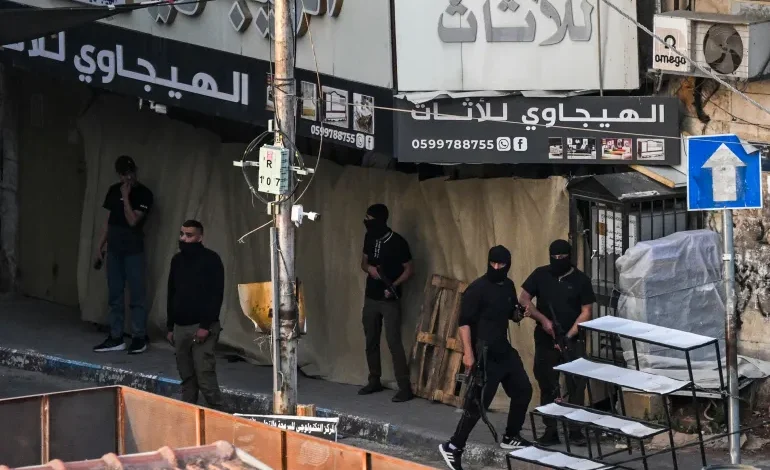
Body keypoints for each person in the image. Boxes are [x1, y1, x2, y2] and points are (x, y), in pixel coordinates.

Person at [439, 246, 533, 470]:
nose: (496, 268)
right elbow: (464, 323)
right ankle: (453, 446)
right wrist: (468, 354)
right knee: (478, 404)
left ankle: (511, 435)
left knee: (523, 390)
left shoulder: (508, 285)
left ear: (508, 265)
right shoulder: (477, 288)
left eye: (501, 264)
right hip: (484, 354)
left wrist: (520, 313)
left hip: (503, 350)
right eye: (493, 263)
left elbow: (510, 314)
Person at [519, 239, 596, 447]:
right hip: (545, 339)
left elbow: (586, 311)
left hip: (573, 340)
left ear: (569, 257)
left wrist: (568, 336)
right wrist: (543, 320)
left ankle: (575, 430)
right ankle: (550, 430)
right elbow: (524, 299)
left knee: (576, 385)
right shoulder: (540, 274)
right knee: (547, 384)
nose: (558, 260)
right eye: (554, 257)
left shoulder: (581, 280)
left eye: (562, 257)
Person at [93, 156, 154, 354]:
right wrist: (100, 245)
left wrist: (126, 197)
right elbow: (109, 220)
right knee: (115, 294)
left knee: (137, 295)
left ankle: (139, 337)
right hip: (114, 250)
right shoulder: (113, 190)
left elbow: (133, 221)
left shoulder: (144, 194)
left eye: (131, 173)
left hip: (133, 250)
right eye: (124, 174)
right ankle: (116, 336)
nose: (128, 177)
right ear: (119, 175)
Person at [166, 220, 225, 410]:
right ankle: (189, 415)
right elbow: (171, 292)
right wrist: (170, 327)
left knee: (205, 376)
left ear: (200, 237)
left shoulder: (211, 260)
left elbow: (216, 295)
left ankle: (220, 415)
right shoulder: (177, 261)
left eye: (189, 235)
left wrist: (205, 326)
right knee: (187, 377)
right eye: (182, 234)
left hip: (201, 327)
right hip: (180, 327)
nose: (184, 238)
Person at [358, 203, 415, 402]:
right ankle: (374, 379)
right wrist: (370, 270)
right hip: (371, 297)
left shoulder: (398, 242)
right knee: (371, 340)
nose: (366, 222)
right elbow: (364, 262)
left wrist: (394, 286)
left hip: (389, 300)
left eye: (370, 219)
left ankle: (404, 387)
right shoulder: (369, 237)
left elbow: (409, 269)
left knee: (394, 342)